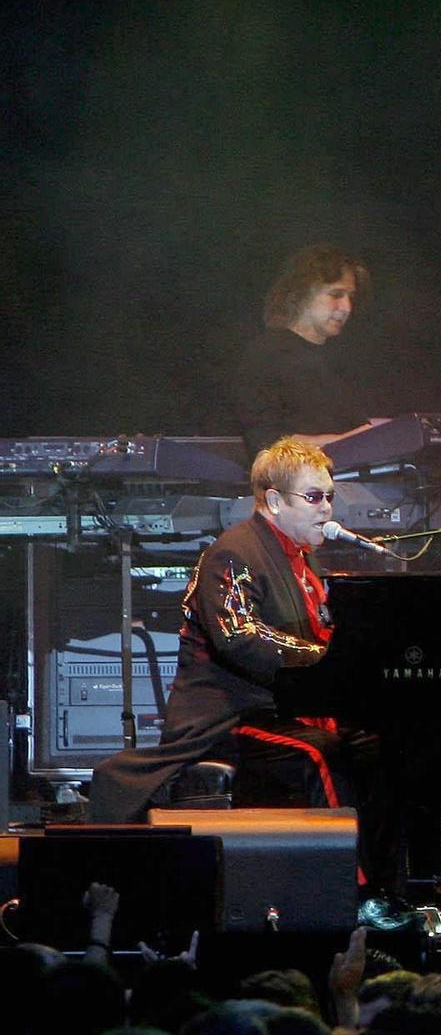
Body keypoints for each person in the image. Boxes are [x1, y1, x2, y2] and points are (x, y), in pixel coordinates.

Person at [89, 439, 400, 891]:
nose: (326, 507)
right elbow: (240, 637)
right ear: (274, 500)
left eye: (330, 496)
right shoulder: (233, 553)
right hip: (228, 717)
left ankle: (400, 886)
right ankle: (354, 892)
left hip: (283, 710)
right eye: (314, 497)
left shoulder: (301, 561)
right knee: (321, 753)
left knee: (387, 746)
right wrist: (331, 661)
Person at [235, 244, 376, 452]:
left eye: (350, 297)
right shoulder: (266, 354)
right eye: (336, 294)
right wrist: (349, 442)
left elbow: (360, 428)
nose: (347, 307)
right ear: (301, 294)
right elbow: (266, 442)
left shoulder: (339, 361)